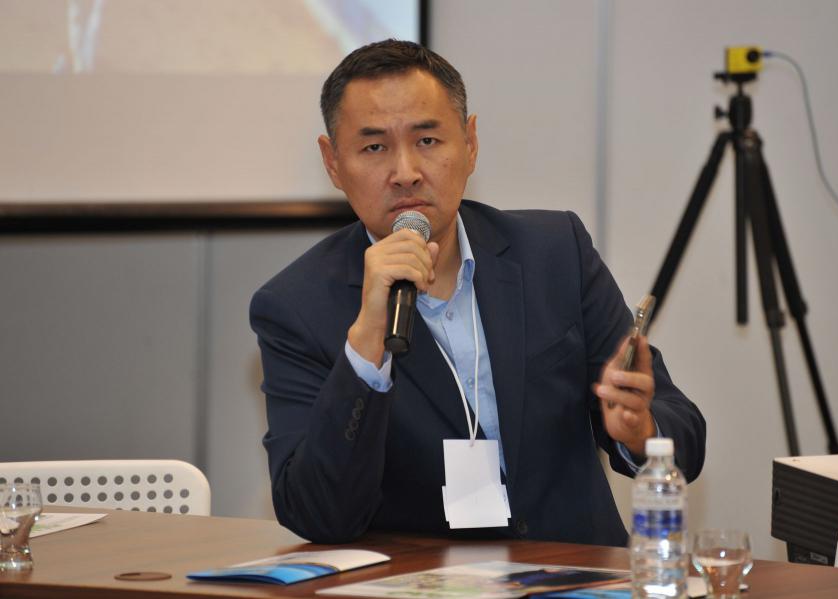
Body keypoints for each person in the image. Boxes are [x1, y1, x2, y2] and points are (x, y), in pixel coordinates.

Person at [250, 39, 705, 546]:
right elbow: (314, 514)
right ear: (333, 163)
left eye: (427, 140)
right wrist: (365, 347)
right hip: (423, 579)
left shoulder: (555, 253)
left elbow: (685, 433)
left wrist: (641, 433)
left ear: (470, 143)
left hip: (579, 570)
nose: (406, 173)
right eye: (374, 147)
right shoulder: (295, 307)